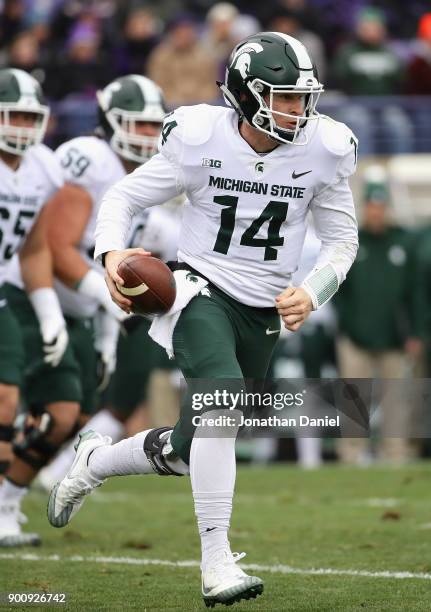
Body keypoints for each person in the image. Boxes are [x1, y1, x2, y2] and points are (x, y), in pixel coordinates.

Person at [48, 32, 359, 607]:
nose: (298, 109)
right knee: (222, 397)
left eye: (301, 97)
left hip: (264, 307)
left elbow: (342, 242)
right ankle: (216, 562)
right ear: (245, 94)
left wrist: (313, 291)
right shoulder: (200, 137)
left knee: (190, 445)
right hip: (197, 288)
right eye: (283, 97)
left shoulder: (324, 148)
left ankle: (92, 462)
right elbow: (121, 198)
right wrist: (113, 253)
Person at [0, 74, 169, 546]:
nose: (147, 138)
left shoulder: (144, 178)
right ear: (111, 122)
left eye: (155, 127)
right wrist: (104, 301)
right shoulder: (88, 161)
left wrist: (107, 334)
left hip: (74, 309)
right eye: (138, 126)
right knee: (15, 403)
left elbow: (111, 258)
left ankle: (7, 503)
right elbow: (56, 246)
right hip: (30, 297)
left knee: (71, 414)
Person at [0, 68, 72, 546]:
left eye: (31, 115)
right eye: (15, 114)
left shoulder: (45, 167)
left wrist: (48, 309)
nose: (24, 125)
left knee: (30, 404)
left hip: (10, 292)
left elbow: (35, 248)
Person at [334, 165, 422, 464]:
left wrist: (415, 332)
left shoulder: (404, 243)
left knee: (397, 401)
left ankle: (395, 454)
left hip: (394, 338)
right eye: (372, 206)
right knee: (354, 399)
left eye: (381, 207)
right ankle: (352, 455)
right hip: (355, 337)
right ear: (365, 208)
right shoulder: (353, 243)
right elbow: (338, 289)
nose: (376, 212)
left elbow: (415, 293)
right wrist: (346, 325)